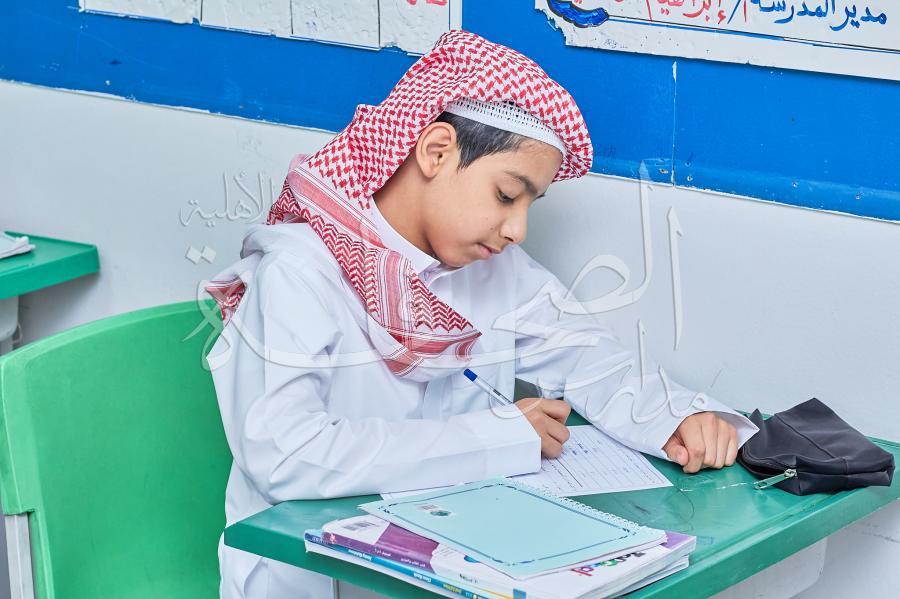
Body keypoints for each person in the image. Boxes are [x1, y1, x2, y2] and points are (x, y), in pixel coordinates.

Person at [206, 30, 758, 599]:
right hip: (311, 579)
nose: (517, 229)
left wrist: (678, 417)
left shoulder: (496, 271)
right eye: (506, 196)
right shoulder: (300, 271)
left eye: (529, 205)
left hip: (461, 567)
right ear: (436, 151)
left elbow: (587, 357)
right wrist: (497, 436)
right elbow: (286, 455)